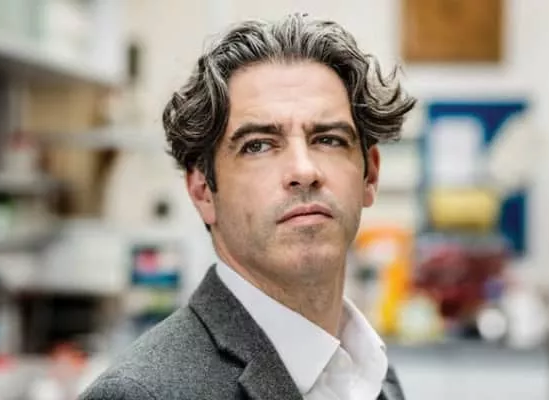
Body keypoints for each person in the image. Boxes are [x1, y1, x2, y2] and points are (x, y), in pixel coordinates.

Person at [80, 13, 415, 400]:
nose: (304, 171)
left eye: (328, 139)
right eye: (258, 145)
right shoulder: (140, 395)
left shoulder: (371, 373)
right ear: (203, 191)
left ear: (370, 175)